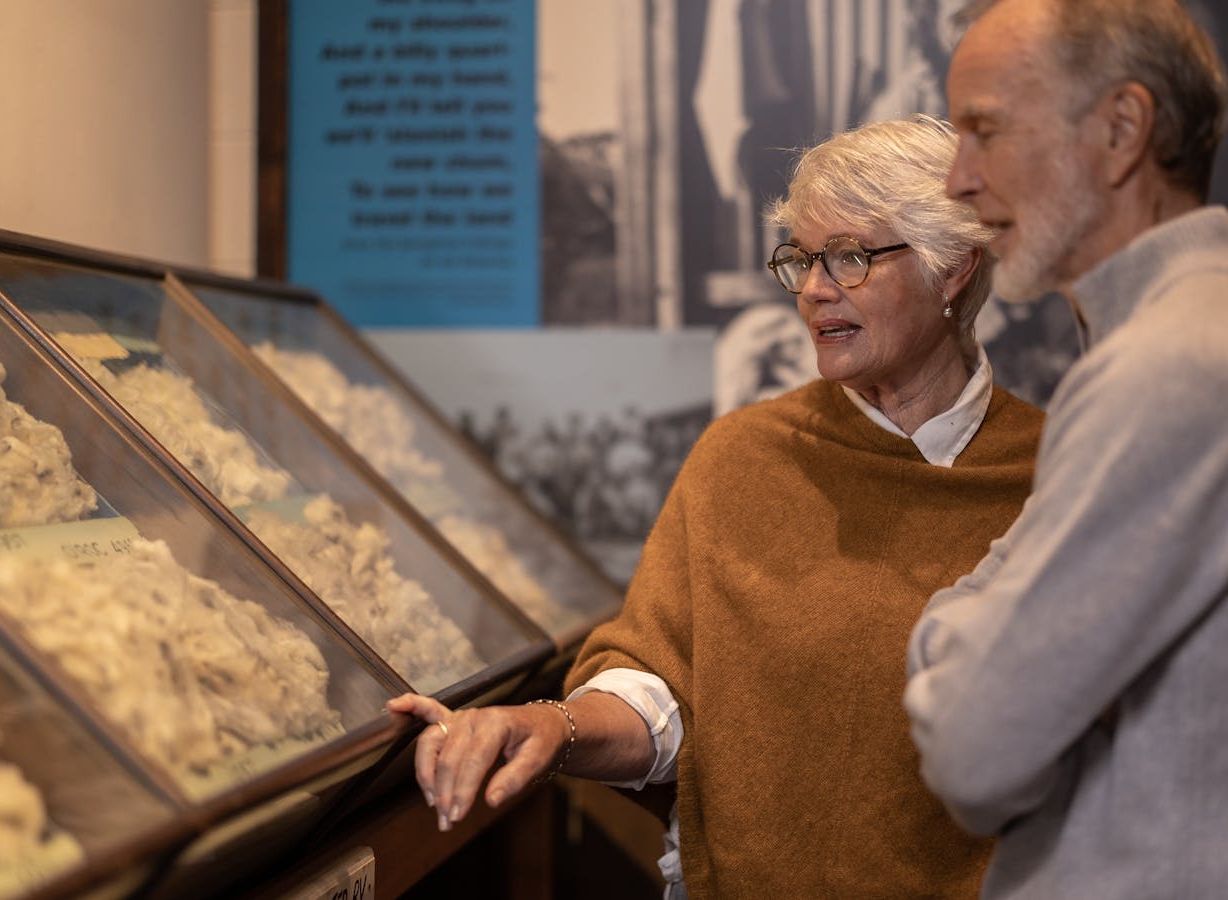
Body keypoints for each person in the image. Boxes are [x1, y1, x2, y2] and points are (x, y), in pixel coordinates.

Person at [389, 115, 1045, 897]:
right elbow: (659, 691)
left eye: (849, 257)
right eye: (801, 259)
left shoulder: (1059, 475)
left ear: (954, 269)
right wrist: (548, 727)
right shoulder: (744, 459)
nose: (812, 289)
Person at [902, 1, 1228, 897]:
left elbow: (973, 749)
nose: (958, 179)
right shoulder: (1206, 337)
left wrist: (945, 638)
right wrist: (985, 644)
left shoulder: (1179, 367)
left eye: (985, 130)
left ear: (1121, 131)